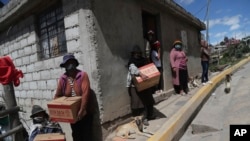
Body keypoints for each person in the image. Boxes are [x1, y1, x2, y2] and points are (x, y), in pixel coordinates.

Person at [54, 54, 94, 141]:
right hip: (72, 114)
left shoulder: (82, 75)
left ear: (75, 64)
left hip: (85, 112)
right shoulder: (63, 79)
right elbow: (58, 95)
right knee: (76, 135)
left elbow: (85, 93)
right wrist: (55, 112)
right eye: (68, 63)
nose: (70, 65)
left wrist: (82, 110)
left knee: (86, 135)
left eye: (72, 63)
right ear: (64, 66)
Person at [127, 45, 156, 126]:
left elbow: (149, 68)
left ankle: (150, 115)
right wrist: (141, 74)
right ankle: (143, 119)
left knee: (149, 99)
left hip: (145, 83)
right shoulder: (131, 62)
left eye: (139, 53)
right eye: (136, 53)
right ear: (133, 54)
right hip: (135, 85)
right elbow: (133, 69)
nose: (138, 55)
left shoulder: (143, 60)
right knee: (139, 103)